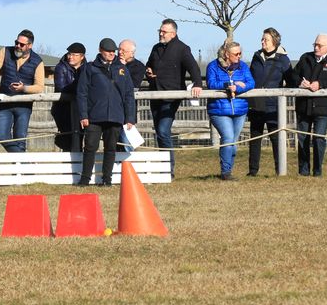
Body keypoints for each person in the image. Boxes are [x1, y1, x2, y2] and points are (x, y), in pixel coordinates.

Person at [144, 19, 203, 175]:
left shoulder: (182, 48)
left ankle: (169, 168)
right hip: (155, 94)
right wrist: (149, 72)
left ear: (173, 33)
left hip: (171, 96)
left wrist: (197, 84)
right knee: (159, 132)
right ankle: (162, 166)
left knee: (163, 130)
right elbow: (149, 65)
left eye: (164, 31)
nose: (161, 34)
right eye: (160, 31)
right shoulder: (156, 48)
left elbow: (193, 68)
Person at [76, 38, 137, 186]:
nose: (111, 54)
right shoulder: (89, 68)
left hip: (115, 115)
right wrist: (83, 115)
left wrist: (130, 117)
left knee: (111, 148)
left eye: (113, 51)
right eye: (108, 51)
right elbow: (82, 93)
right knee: (90, 147)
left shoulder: (122, 69)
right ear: (100, 50)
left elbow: (129, 94)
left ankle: (106, 180)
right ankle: (85, 179)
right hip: (94, 116)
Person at [292, 33, 327, 177]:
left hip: (323, 106)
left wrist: (320, 84)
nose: (316, 47)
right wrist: (300, 82)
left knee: (318, 138)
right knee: (302, 138)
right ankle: (303, 170)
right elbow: (294, 75)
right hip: (304, 105)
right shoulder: (305, 58)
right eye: (315, 44)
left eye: (319, 45)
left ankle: (317, 170)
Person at [0, 29, 45, 152]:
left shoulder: (38, 61)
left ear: (30, 45)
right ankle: (25, 160)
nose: (18, 46)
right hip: (5, 103)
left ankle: (21, 163)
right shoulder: (5, 52)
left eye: (22, 44)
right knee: (2, 136)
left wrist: (24, 88)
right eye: (16, 42)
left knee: (20, 139)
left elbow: (39, 87)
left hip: (24, 106)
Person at [206, 41, 255, 180]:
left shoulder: (243, 66)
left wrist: (238, 88)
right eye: (236, 54)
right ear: (227, 54)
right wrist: (229, 85)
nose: (239, 56)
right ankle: (226, 172)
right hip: (219, 110)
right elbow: (211, 83)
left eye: (240, 53)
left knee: (233, 142)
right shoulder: (213, 66)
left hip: (239, 110)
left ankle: (228, 169)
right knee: (228, 138)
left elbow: (251, 83)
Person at [247, 28, 291, 176]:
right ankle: (253, 171)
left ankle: (280, 170)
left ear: (274, 41)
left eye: (265, 39)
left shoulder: (283, 60)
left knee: (276, 138)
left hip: (274, 105)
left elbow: (290, 80)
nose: (262, 42)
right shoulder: (256, 57)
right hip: (256, 103)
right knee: (255, 137)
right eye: (262, 39)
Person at [52, 42, 86, 152]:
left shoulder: (87, 68)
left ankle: (78, 160)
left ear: (82, 57)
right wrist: (79, 86)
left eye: (75, 55)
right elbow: (61, 87)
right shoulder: (61, 67)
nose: (71, 57)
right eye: (69, 54)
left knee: (80, 137)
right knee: (68, 138)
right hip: (63, 109)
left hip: (81, 109)